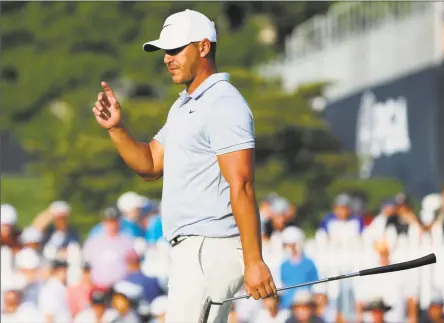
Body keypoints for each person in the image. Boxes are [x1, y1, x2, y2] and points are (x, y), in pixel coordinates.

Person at [91, 8, 277, 322]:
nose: (167, 58)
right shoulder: (183, 106)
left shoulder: (223, 103)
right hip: (191, 251)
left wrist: (254, 260)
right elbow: (150, 164)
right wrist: (116, 129)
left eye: (176, 49)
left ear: (203, 47)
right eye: (165, 51)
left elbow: (242, 185)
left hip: (211, 248)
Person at [83, 206, 135, 289]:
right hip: (98, 287)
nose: (112, 224)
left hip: (121, 287)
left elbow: (133, 266)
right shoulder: (93, 242)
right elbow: (86, 267)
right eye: (109, 221)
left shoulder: (127, 241)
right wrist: (88, 286)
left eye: (114, 221)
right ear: (103, 222)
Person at [280, 226, 319, 310]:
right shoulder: (283, 265)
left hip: (305, 305)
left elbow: (315, 284)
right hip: (287, 306)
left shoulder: (309, 263)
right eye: (288, 245)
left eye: (293, 245)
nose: (291, 248)